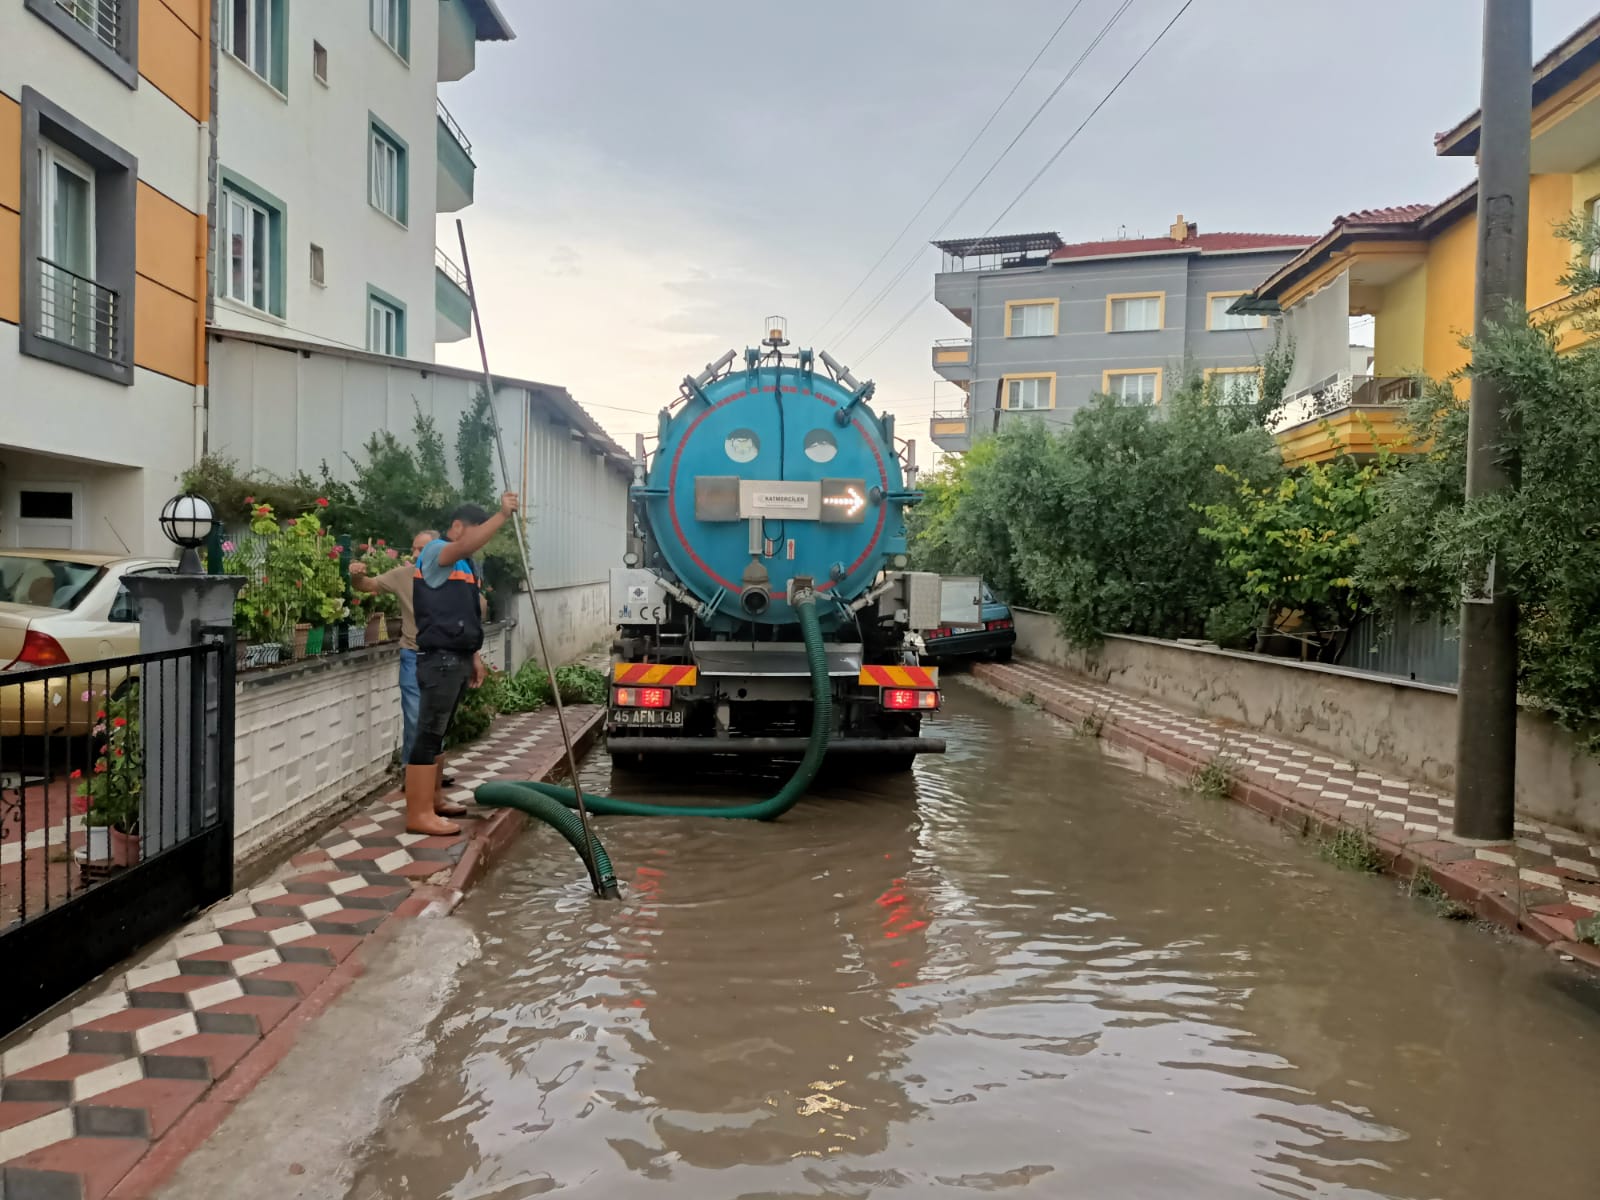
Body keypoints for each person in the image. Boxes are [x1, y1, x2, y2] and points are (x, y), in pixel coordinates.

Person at [404, 492, 517, 835]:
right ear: (456, 527)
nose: (476, 541)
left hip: (457, 657)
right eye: (474, 532)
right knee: (427, 734)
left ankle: (434, 800)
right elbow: (466, 546)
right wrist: (501, 516)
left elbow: (464, 615)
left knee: (439, 733)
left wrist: (475, 657)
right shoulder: (438, 550)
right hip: (438, 659)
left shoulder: (464, 565)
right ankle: (418, 813)